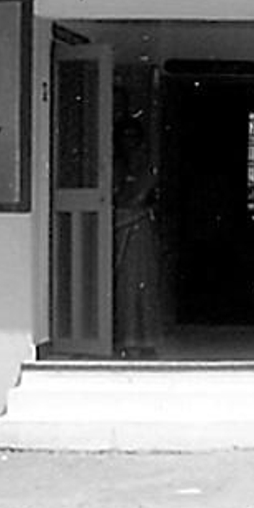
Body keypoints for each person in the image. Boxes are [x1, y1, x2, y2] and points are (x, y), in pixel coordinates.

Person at [114, 117, 162, 358]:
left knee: (141, 287)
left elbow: (140, 198)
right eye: (126, 138)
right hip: (122, 229)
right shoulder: (115, 168)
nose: (130, 144)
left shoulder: (146, 171)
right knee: (127, 289)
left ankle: (144, 339)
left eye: (135, 139)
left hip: (138, 231)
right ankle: (129, 339)